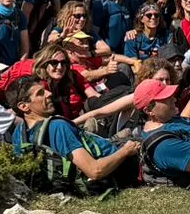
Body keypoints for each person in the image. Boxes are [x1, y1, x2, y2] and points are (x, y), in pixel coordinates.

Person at [9, 76, 143, 192]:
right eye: (40, 93)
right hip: (117, 170)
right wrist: (125, 151)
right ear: (23, 106)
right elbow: (95, 171)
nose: (49, 94)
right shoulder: (57, 126)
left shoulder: (20, 133)